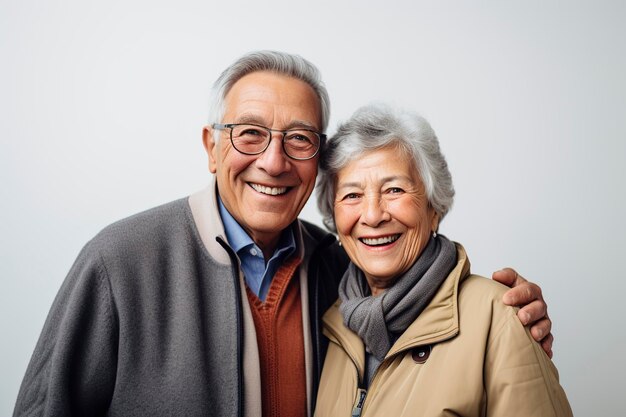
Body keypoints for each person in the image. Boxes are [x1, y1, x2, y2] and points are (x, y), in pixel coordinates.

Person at [14, 51, 553, 417]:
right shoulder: (119, 263)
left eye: (298, 139)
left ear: (317, 161)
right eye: (250, 134)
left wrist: (504, 318)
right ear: (211, 147)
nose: (272, 162)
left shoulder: (340, 274)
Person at [313, 103, 572, 416]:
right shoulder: (331, 320)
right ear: (334, 216)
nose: (372, 215)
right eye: (352, 195)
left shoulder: (500, 315)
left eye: (394, 189)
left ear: (434, 208)